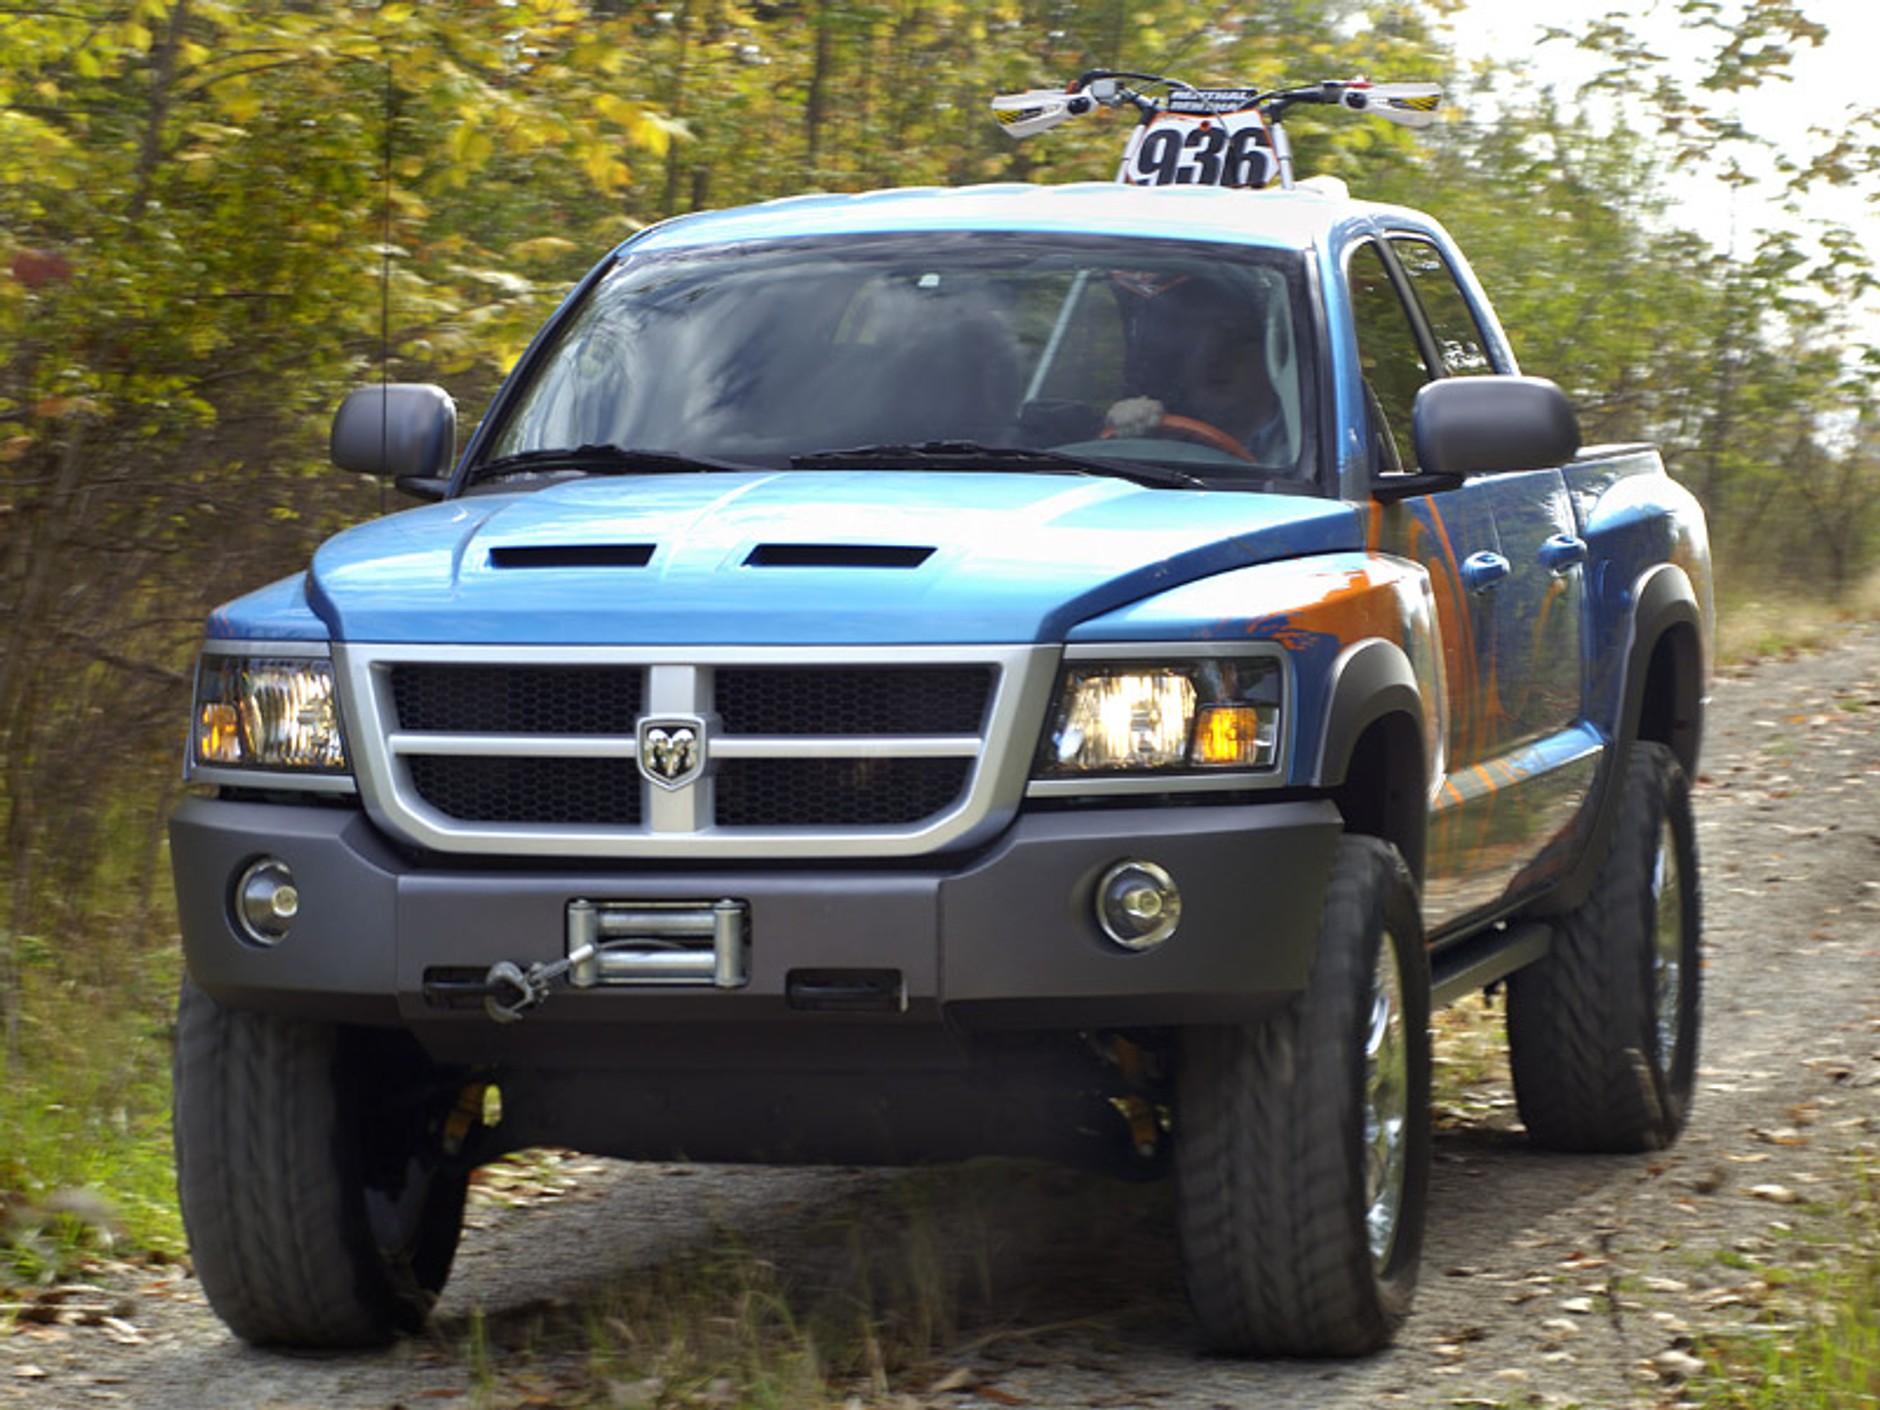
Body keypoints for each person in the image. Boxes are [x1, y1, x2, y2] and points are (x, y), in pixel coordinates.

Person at [1104, 274, 1289, 462]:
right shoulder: (1164, 429)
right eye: (1194, 343)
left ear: (1273, 354)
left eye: (1233, 339)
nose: (1212, 355)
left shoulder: (1304, 439)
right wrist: (1131, 425)